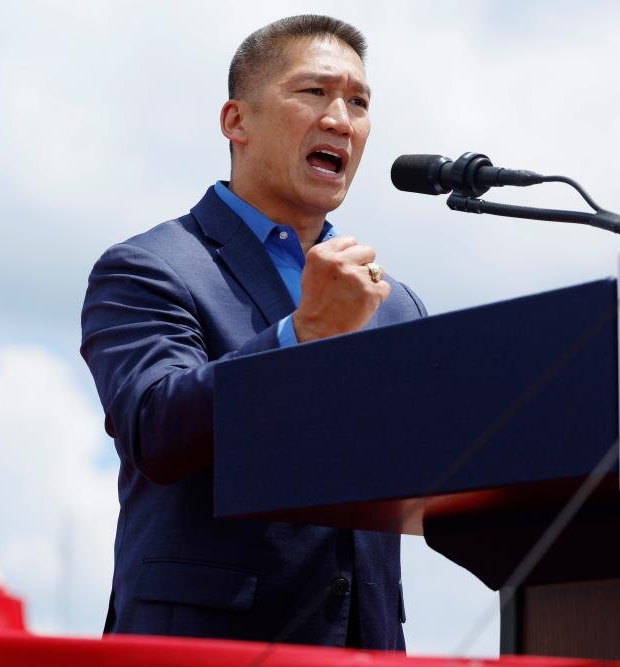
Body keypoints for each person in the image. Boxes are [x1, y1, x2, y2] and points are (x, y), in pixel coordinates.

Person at [80, 15, 426, 649]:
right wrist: (302, 335)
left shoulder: (394, 303)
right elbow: (156, 429)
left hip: (365, 648)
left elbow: (437, 473)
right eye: (314, 92)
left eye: (359, 101)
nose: (340, 119)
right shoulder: (149, 268)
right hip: (207, 645)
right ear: (236, 121)